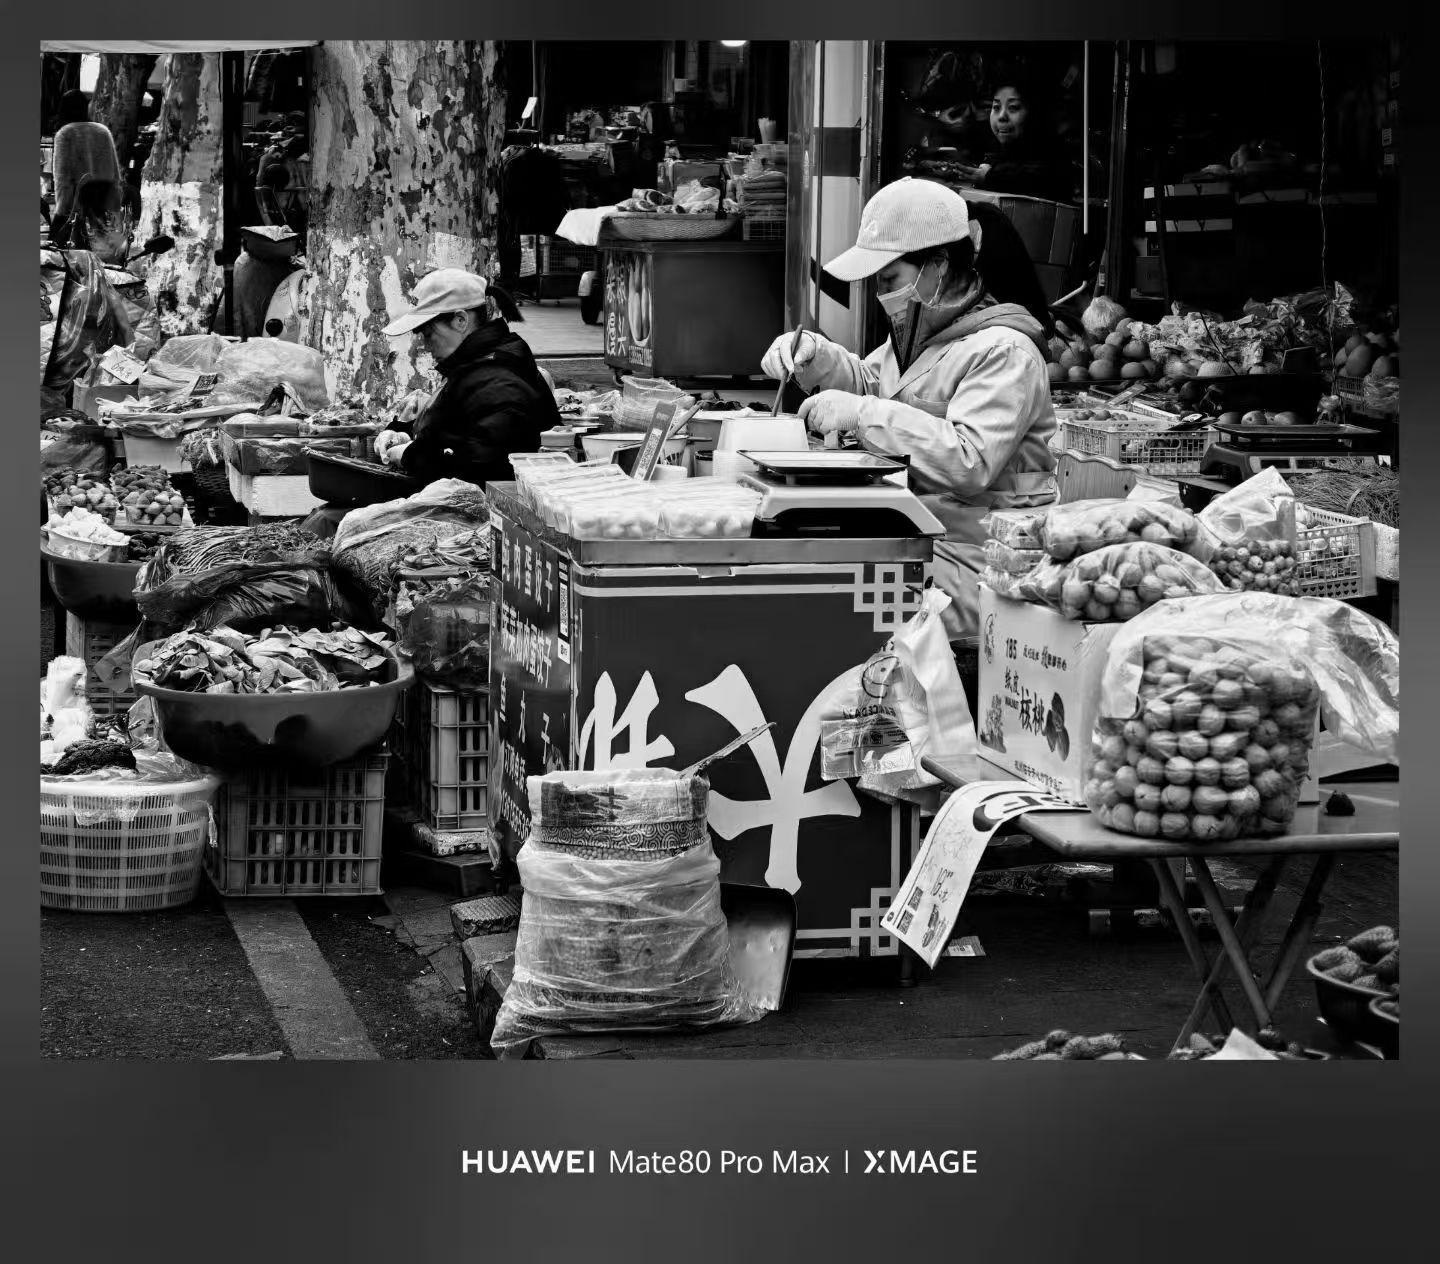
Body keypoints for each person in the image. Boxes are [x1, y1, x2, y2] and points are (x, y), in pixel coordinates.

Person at [760, 177, 1058, 665]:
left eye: (889, 278)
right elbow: (875, 384)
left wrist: (863, 414)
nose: (881, 293)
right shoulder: (921, 331)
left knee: (833, 609)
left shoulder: (1004, 350)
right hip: (921, 541)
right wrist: (817, 358)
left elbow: (969, 460)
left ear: (937, 265)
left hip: (981, 564)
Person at [374, 268, 560, 487]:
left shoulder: (499, 382)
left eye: (429, 334)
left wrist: (411, 455)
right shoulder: (472, 366)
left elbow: (482, 467)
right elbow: (453, 429)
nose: (426, 346)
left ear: (461, 320)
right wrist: (402, 432)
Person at [961, 81, 1074, 205]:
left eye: (1013, 107)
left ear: (1034, 113)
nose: (1002, 116)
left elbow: (1039, 177)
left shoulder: (1053, 157)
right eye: (996, 107)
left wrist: (989, 176)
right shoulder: (995, 150)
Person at [51, 90, 122, 225]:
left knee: (60, 237)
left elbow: (63, 180)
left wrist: (60, 212)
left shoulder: (65, 134)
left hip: (77, 211)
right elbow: (115, 175)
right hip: (102, 209)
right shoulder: (103, 131)